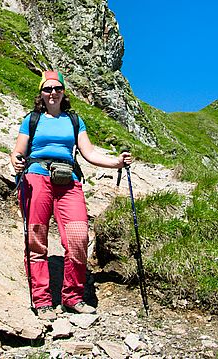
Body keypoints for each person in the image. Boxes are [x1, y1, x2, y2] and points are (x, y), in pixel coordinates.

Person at [10, 70, 133, 320]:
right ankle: (42, 300)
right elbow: (18, 151)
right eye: (47, 89)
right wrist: (16, 161)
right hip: (36, 178)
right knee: (36, 240)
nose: (52, 93)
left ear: (64, 91)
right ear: (41, 94)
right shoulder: (31, 119)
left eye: (57, 88)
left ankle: (72, 296)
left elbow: (89, 153)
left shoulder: (75, 120)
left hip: (69, 181)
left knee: (78, 239)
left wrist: (116, 163)